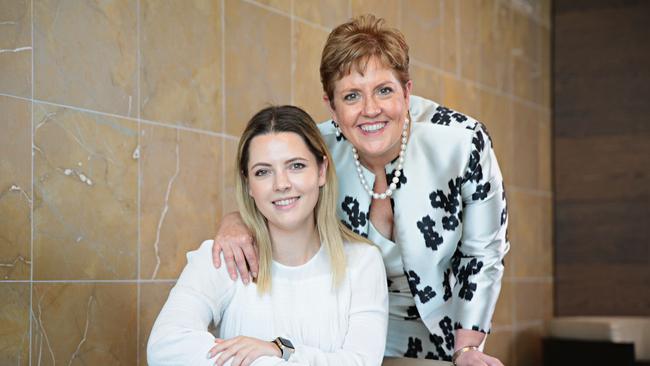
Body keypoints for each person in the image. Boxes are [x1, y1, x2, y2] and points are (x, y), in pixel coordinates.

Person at [212, 15, 510, 366]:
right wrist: (235, 222)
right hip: (342, 332)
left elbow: (483, 253)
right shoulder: (314, 150)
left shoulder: (461, 141)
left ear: (407, 91)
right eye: (352, 95)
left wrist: (467, 348)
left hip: (444, 328)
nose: (371, 110)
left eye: (384, 90)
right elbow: (273, 196)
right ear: (331, 105)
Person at [147, 105, 388, 366]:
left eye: (296, 166)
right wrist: (265, 358)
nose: (281, 184)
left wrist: (279, 350)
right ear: (249, 184)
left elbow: (361, 362)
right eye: (263, 171)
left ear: (321, 171)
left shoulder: (362, 262)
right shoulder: (224, 255)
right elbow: (164, 347)